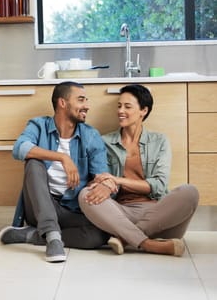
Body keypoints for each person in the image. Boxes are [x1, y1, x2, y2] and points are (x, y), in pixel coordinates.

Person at [79, 84, 199, 257]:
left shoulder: (159, 141)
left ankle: (126, 239)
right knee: (85, 195)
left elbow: (158, 185)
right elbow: (99, 177)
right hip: (121, 214)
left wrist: (117, 179)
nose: (121, 110)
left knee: (190, 192)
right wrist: (105, 184)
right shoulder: (104, 142)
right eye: (119, 106)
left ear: (143, 110)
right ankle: (149, 244)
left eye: (127, 107)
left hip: (160, 215)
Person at [0, 81, 109, 263]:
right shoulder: (39, 125)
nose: (87, 106)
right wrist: (62, 158)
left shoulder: (91, 136)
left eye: (86, 100)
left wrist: (100, 185)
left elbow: (101, 175)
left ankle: (35, 235)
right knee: (33, 162)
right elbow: (19, 148)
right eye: (81, 100)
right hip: (40, 207)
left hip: (72, 209)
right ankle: (52, 237)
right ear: (62, 103)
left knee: (99, 235)